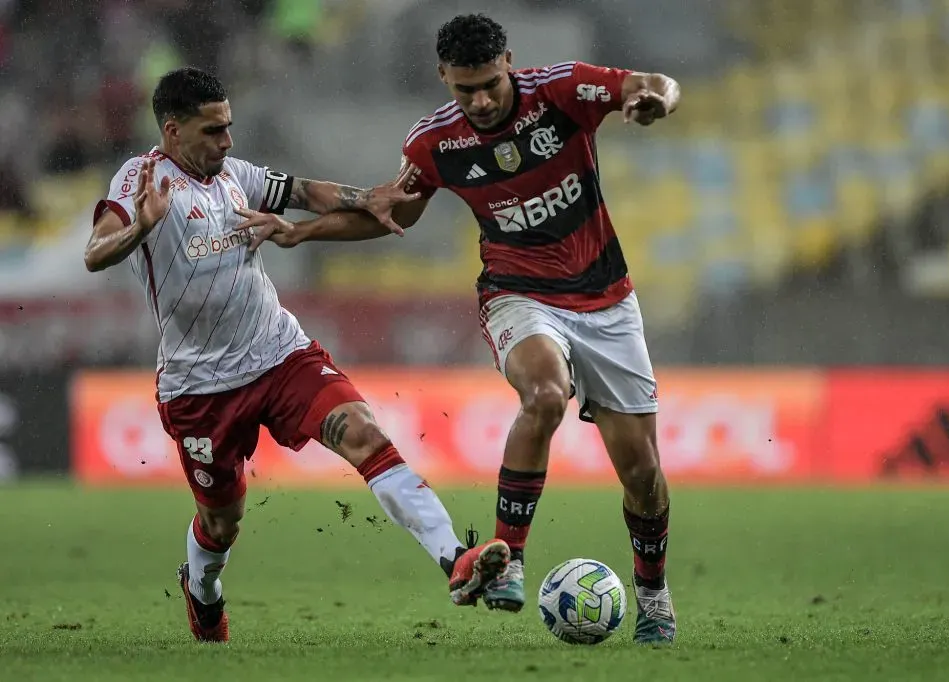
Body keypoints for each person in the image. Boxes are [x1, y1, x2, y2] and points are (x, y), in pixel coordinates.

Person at [235, 14, 681, 644]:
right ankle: (509, 561)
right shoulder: (435, 142)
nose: (480, 100)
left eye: (491, 84)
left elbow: (653, 81)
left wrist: (654, 97)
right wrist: (304, 229)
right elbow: (393, 215)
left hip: (607, 301)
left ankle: (654, 596)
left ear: (510, 62)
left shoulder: (560, 91)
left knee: (640, 472)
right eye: (464, 89)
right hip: (518, 296)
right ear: (444, 77)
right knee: (545, 394)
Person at [84, 67, 510, 644]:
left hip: (279, 353)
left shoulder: (235, 175)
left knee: (363, 433)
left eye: (229, 127)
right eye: (213, 131)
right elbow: (95, 253)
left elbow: (307, 192)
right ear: (173, 129)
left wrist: (370, 197)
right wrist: (139, 226)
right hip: (199, 387)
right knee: (222, 519)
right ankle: (201, 591)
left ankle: (455, 558)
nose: (227, 141)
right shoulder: (140, 181)